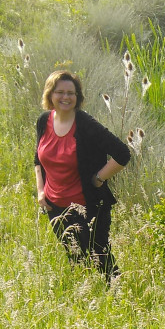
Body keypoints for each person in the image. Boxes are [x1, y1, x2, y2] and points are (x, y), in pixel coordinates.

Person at [34, 70, 131, 283]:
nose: (66, 97)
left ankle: (119, 299)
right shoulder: (44, 121)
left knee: (100, 258)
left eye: (71, 92)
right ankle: (86, 300)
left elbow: (122, 154)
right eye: (60, 92)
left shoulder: (86, 125)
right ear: (50, 95)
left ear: (78, 97)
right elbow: (38, 160)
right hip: (55, 208)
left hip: (88, 207)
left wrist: (98, 178)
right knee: (75, 259)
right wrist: (41, 191)